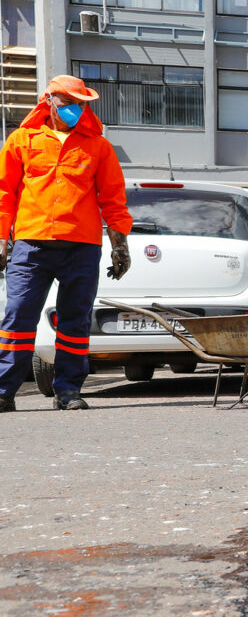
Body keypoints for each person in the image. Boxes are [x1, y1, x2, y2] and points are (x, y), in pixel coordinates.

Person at [0, 76, 132, 412]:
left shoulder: (98, 147)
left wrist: (120, 245)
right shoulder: (22, 141)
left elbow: (113, 199)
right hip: (32, 245)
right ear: (49, 102)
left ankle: (69, 390)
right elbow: (4, 194)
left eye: (81, 104)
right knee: (18, 317)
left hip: (81, 247)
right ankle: (4, 391)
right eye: (69, 103)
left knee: (75, 321)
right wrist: (2, 238)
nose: (76, 109)